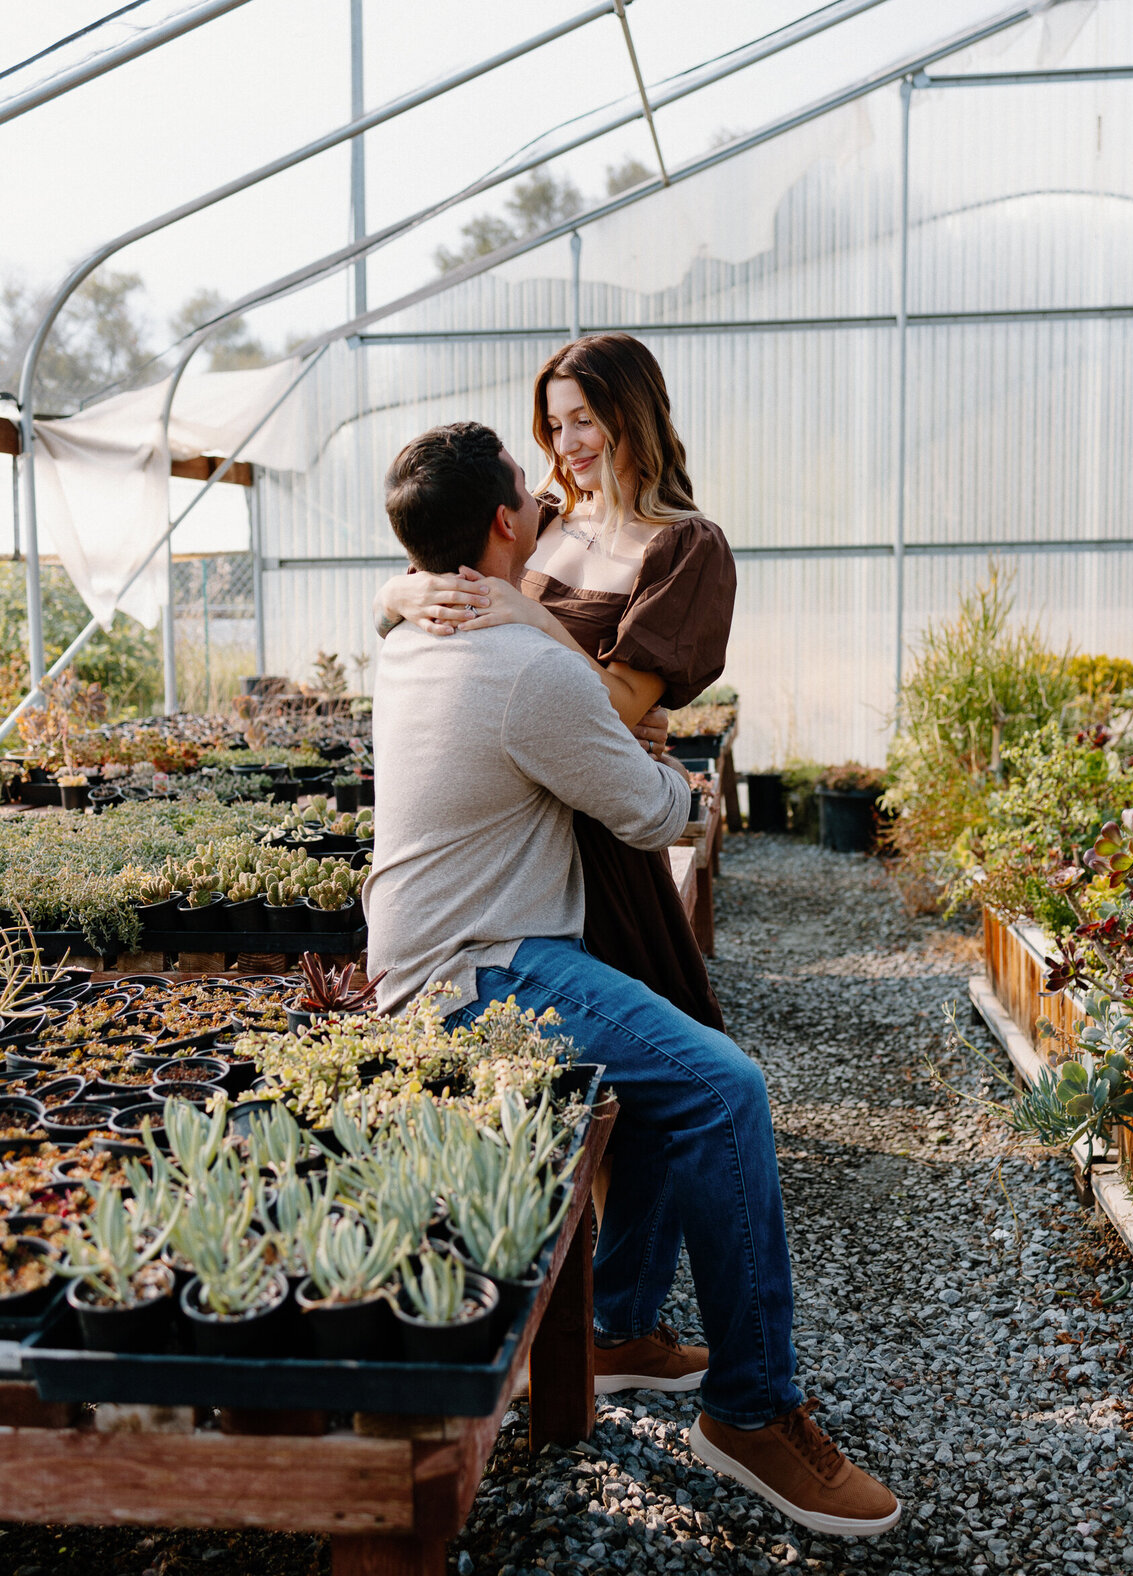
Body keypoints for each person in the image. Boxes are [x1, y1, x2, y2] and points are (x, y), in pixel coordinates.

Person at [364, 420, 901, 1538]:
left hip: (438, 949)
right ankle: (753, 1411)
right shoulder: (519, 666)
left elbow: (546, 720)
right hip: (483, 973)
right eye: (529, 473)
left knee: (657, 1068)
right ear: (508, 521)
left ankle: (615, 1329)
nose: (550, 470)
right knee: (722, 1088)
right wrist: (670, 776)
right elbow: (655, 809)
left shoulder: (416, 634)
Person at [372, 332, 732, 1033]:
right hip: (513, 832)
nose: (567, 443)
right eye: (555, 424)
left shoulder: (686, 546)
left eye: (585, 420)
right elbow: (427, 577)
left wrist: (538, 619)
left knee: (653, 1053)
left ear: (636, 414)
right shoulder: (541, 514)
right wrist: (395, 596)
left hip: (601, 833)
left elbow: (628, 706)